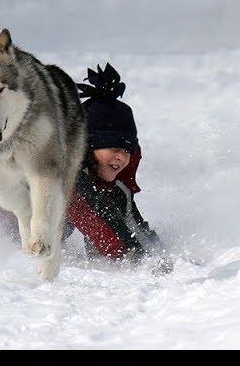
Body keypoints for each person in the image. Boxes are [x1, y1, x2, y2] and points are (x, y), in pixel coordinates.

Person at [63, 63, 172, 273]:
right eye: (113, 147)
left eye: (127, 149)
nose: (121, 156)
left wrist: (162, 254)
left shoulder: (114, 185)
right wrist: (137, 259)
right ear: (88, 148)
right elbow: (97, 216)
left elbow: (132, 222)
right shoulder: (69, 174)